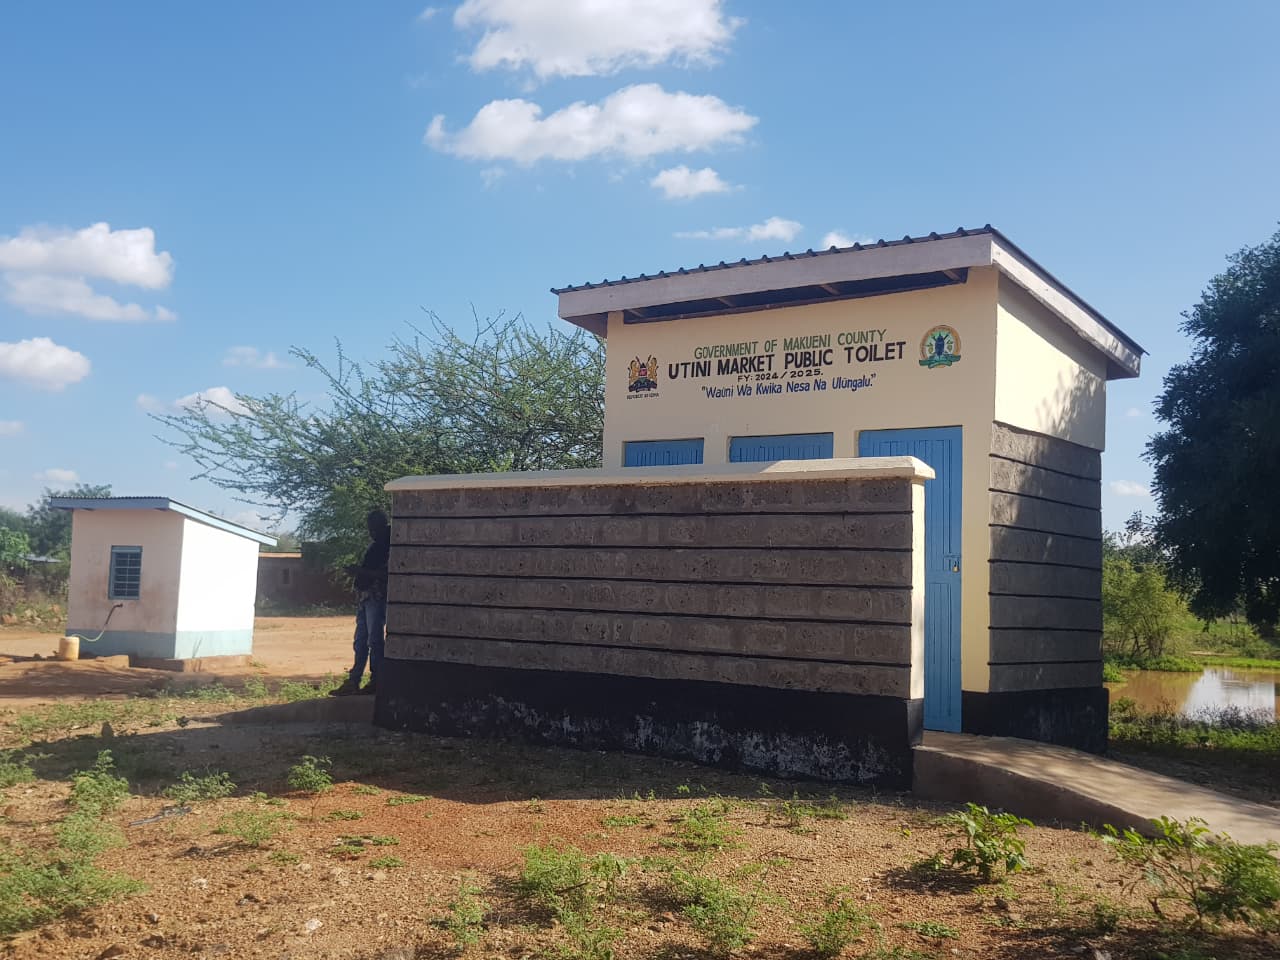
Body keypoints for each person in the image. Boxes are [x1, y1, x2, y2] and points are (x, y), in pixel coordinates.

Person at [330, 509, 391, 696]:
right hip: (366, 597)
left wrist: (360, 572)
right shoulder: (376, 546)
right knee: (360, 641)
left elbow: (386, 574)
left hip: (376, 597)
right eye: (370, 529)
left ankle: (376, 680)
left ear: (383, 526)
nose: (371, 532)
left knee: (374, 640)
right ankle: (354, 680)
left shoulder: (389, 546)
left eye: (374, 528)